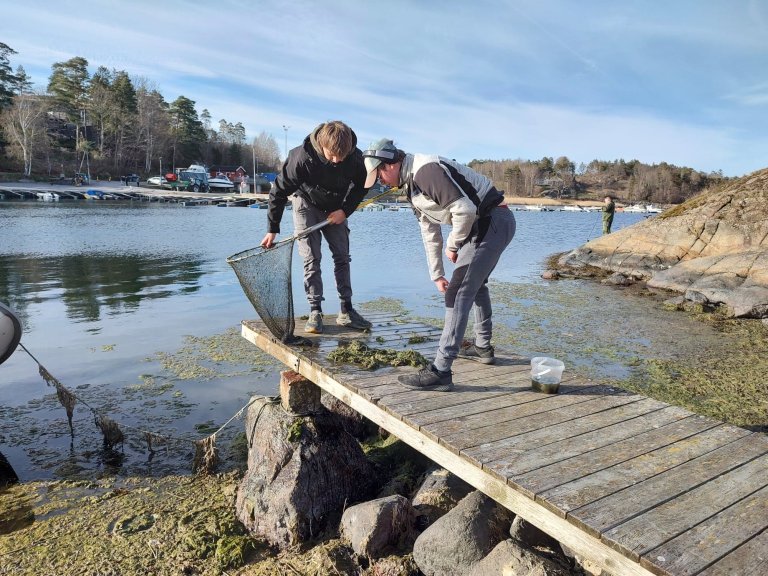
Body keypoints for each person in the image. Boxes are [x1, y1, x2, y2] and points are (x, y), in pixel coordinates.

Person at [363, 139, 516, 391]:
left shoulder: (425, 170)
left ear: (390, 164)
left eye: (378, 174)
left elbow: (464, 210)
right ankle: (482, 347)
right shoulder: (411, 186)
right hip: (481, 226)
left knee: (458, 292)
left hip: (492, 220)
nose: (379, 181)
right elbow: (429, 231)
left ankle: (441, 371)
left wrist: (453, 245)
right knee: (474, 286)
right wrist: (436, 273)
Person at [260, 121, 372, 334]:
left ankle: (346, 310)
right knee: (312, 258)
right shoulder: (301, 158)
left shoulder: (355, 158)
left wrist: (345, 211)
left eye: (342, 156)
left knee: (342, 256)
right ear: (322, 145)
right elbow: (278, 192)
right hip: (306, 204)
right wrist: (272, 227)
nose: (337, 160)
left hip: (336, 208)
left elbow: (361, 188)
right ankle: (315, 311)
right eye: (332, 155)